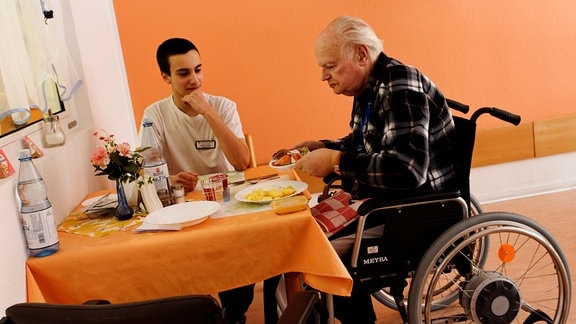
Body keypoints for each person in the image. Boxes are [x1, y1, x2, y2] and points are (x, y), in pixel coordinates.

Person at [292, 16, 458, 323]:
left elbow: (407, 170)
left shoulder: (400, 85)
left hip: (414, 210)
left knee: (318, 257)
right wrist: (323, 146)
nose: (323, 76)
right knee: (300, 234)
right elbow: (364, 143)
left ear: (361, 54)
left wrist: (334, 161)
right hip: (387, 202)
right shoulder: (370, 87)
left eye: (329, 65)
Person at [140, 37, 252, 324]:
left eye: (198, 70)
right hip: (184, 208)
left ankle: (234, 314)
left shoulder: (223, 106)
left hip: (226, 203)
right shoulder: (154, 115)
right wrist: (171, 178)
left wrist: (208, 113)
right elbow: (145, 171)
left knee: (241, 254)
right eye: (183, 73)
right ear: (165, 77)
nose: (194, 80)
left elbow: (242, 162)